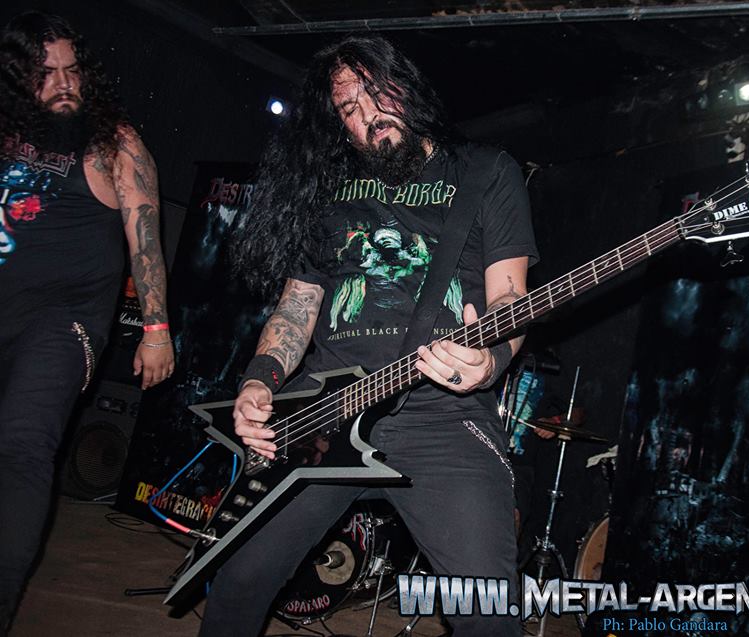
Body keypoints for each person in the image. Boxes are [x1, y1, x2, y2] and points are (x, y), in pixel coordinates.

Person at [201, 35, 538, 636]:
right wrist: (260, 380)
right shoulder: (329, 189)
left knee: (487, 611)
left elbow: (510, 298)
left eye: (376, 93)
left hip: (442, 417)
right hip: (323, 412)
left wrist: (490, 360)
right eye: (348, 109)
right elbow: (297, 307)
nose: (367, 115)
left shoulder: (486, 171)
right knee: (238, 580)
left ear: (406, 86)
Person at [0, 12, 174, 633]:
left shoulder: (113, 142)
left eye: (72, 70)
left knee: (22, 448)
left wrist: (156, 330)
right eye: (46, 73)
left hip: (63, 322)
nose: (64, 83)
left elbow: (145, 239)